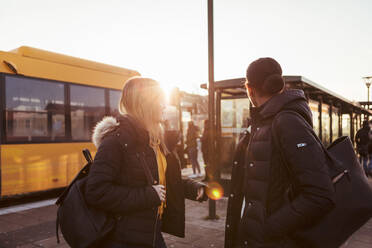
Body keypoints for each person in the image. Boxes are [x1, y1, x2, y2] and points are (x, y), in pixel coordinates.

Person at [225, 58, 335, 248]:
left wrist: (267, 229)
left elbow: (320, 195)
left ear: (249, 89)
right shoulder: (264, 121)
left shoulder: (287, 122)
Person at [85, 77, 206, 248]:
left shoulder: (154, 139)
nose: (163, 106)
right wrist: (148, 195)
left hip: (150, 232)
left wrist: (194, 188)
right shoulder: (115, 141)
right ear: (145, 104)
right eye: (160, 102)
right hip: (124, 238)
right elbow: (96, 191)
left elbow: (162, 180)